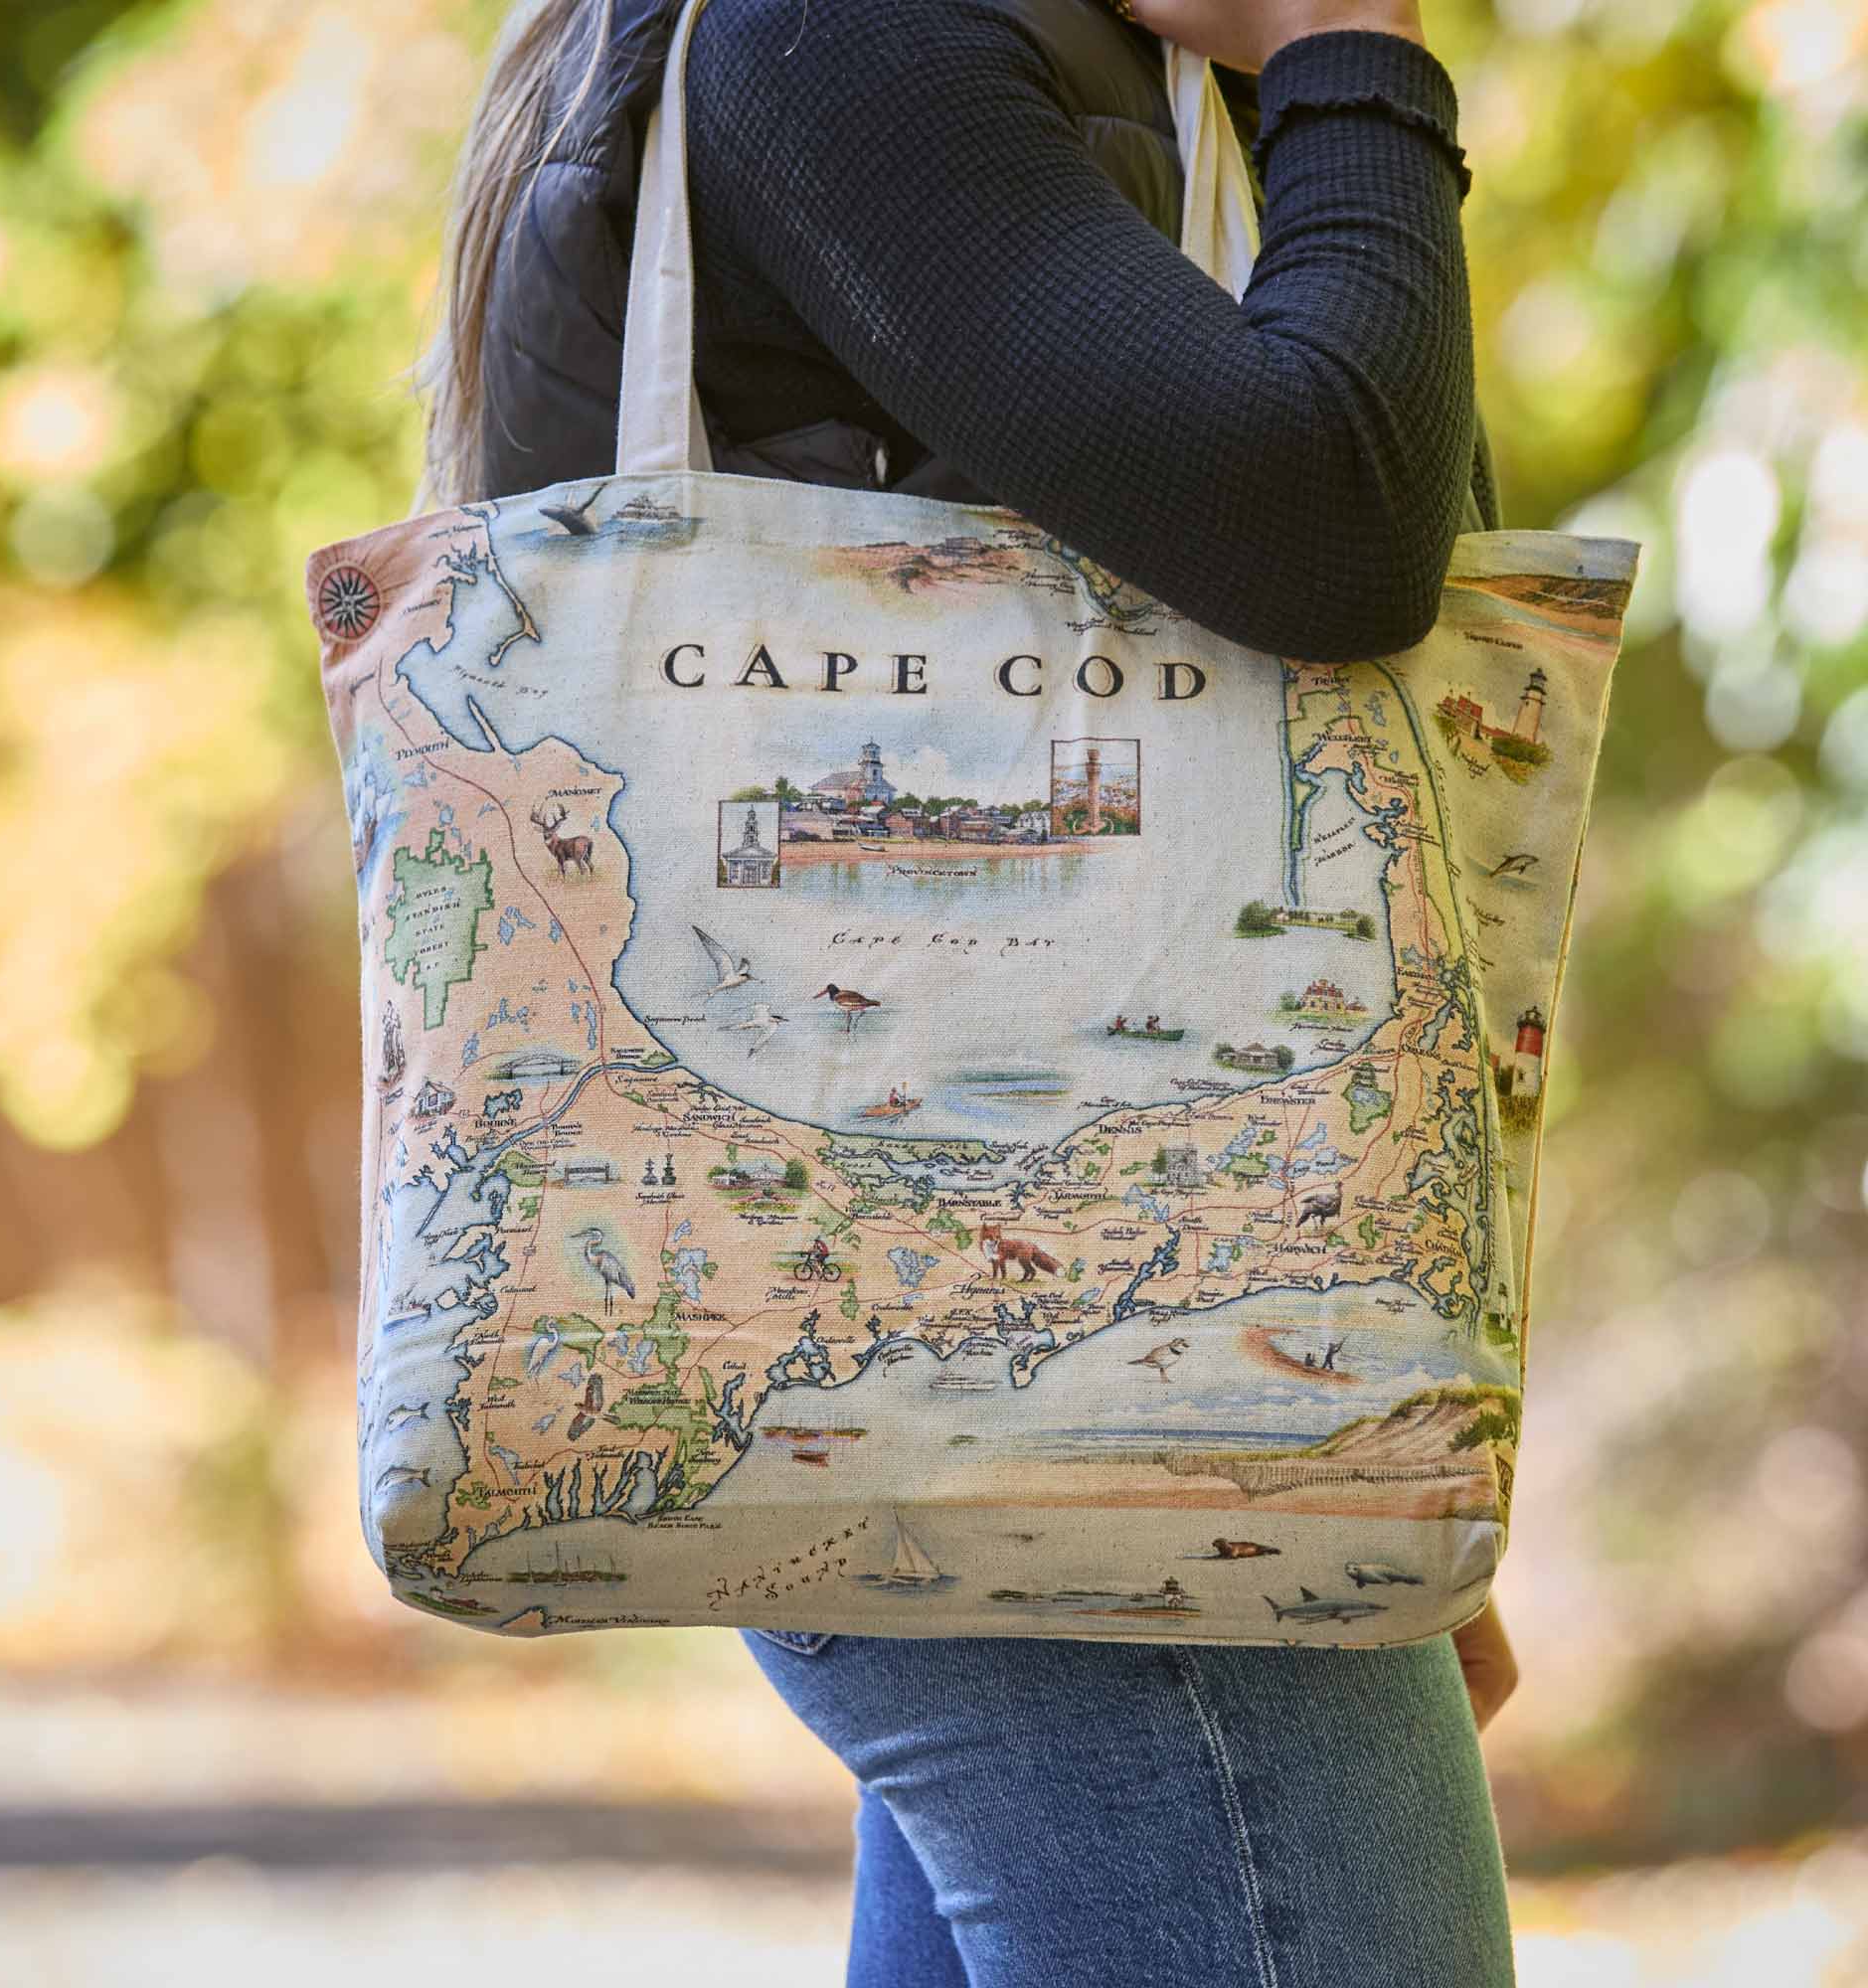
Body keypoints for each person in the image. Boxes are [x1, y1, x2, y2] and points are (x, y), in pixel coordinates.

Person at [416, 0, 1520, 1980]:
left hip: (1086, 1364)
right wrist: (1345, 51)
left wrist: (1371, 1393)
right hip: (1049, 1390)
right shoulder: (850, 33)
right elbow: (1332, 522)